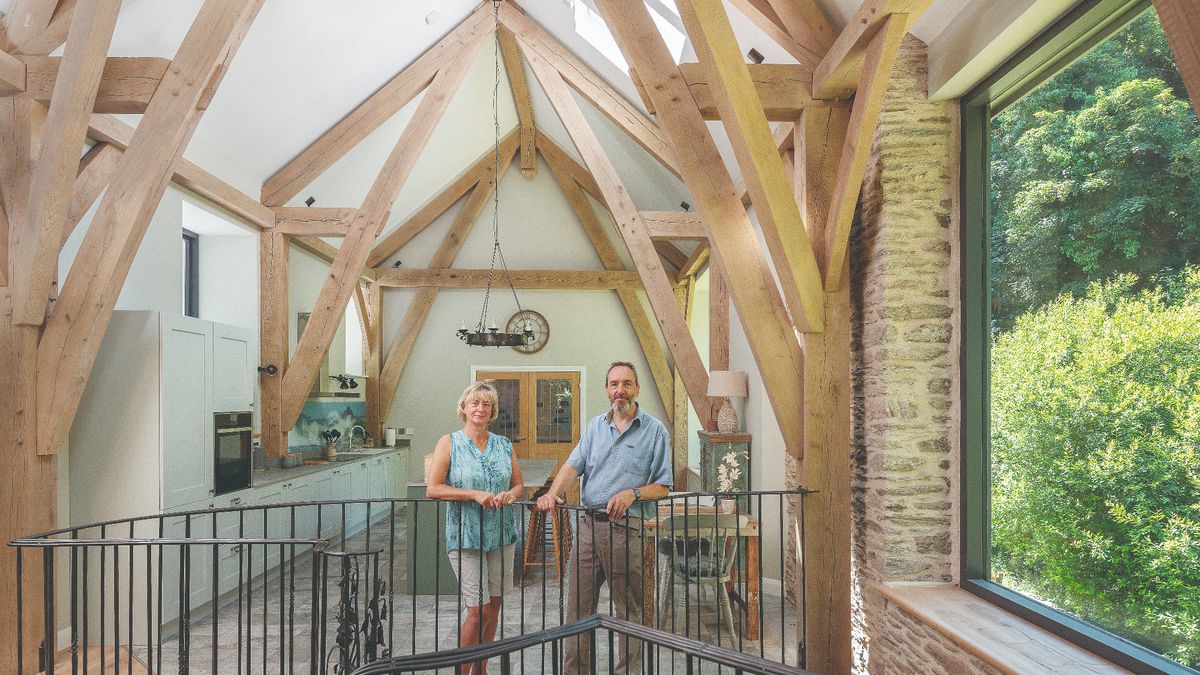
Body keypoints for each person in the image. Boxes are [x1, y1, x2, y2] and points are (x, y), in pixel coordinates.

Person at [537, 362, 672, 674]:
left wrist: (633, 494)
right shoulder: (596, 426)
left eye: (626, 384)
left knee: (629, 610)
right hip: (587, 527)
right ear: (606, 389)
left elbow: (664, 486)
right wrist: (552, 493)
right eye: (613, 384)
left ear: (637, 388)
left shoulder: (655, 431)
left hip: (625, 530)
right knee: (577, 609)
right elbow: (573, 466)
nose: (619, 390)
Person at [427, 381, 525, 675]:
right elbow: (433, 489)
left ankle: (480, 670)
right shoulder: (449, 443)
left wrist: (511, 495)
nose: (480, 409)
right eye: (475, 403)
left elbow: (518, 485)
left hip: (502, 534)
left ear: (492, 411)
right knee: (477, 608)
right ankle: (462, 671)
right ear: (464, 408)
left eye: (486, 404)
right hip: (466, 535)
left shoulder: (504, 445)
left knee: (494, 605)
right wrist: (473, 494)